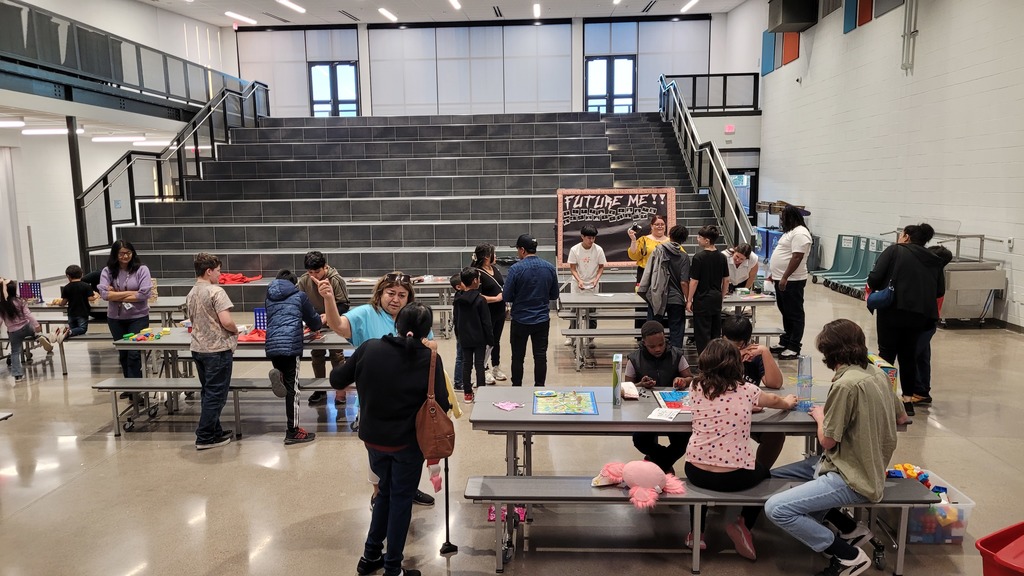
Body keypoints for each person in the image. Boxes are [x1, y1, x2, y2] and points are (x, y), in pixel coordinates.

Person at [765, 319, 911, 576]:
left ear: (830, 354)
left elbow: (827, 441)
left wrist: (821, 416)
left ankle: (849, 556)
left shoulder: (845, 385)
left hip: (852, 477)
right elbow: (901, 418)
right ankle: (850, 530)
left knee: (776, 507)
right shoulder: (877, 373)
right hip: (866, 465)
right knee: (778, 476)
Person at [332, 302, 449, 576]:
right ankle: (393, 567)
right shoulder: (430, 359)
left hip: (373, 437)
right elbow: (440, 404)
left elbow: (338, 378)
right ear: (427, 331)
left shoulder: (369, 348)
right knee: (400, 499)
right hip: (408, 443)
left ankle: (370, 556)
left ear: (397, 324)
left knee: (384, 491)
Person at [319, 271, 436, 507]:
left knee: (413, 450)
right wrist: (329, 299)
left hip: (409, 402)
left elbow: (431, 345)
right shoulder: (366, 313)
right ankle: (378, 493)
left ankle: (409, 488)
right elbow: (338, 325)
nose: (396, 299)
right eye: (391, 293)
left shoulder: (413, 316)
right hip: (374, 401)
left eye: (402, 295)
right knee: (376, 452)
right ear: (380, 293)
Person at [685, 338, 797, 558]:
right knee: (764, 473)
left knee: (700, 475)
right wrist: (788, 402)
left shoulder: (696, 386)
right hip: (733, 477)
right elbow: (773, 399)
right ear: (737, 365)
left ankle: (695, 533)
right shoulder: (747, 390)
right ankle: (743, 524)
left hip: (695, 471)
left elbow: (718, 401)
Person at [866, 223, 946, 417]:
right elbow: (939, 291)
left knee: (887, 354)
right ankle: (907, 402)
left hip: (892, 310)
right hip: (919, 315)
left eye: (901, 234)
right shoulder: (934, 260)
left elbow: (875, 279)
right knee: (908, 356)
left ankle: (884, 398)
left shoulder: (895, 251)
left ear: (907, 236)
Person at [185, 253, 239, 450]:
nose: (220, 274)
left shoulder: (191, 292)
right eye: (218, 270)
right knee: (217, 394)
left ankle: (215, 430)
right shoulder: (216, 291)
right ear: (209, 271)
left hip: (198, 348)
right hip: (217, 348)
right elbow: (226, 321)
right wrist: (235, 329)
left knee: (208, 392)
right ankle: (205, 436)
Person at [626, 320, 693, 474]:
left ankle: (657, 462)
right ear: (643, 343)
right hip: (645, 412)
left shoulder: (677, 355)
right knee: (640, 440)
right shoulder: (634, 359)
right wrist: (640, 384)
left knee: (684, 440)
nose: (658, 349)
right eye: (652, 346)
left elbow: (691, 378)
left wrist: (682, 380)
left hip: (674, 410)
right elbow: (626, 388)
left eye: (661, 344)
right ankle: (664, 463)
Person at [265, 269, 324, 445]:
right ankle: (293, 431)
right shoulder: (299, 295)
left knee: (286, 377)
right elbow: (314, 321)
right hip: (290, 345)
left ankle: (280, 375)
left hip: (272, 343)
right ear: (294, 283)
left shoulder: (269, 296)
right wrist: (318, 324)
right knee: (294, 389)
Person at [721, 315, 786, 469]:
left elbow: (775, 383)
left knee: (775, 435)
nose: (732, 350)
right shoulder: (715, 354)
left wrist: (764, 352)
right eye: (727, 343)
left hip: (751, 418)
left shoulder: (753, 357)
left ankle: (759, 471)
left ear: (745, 343)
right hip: (722, 417)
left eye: (736, 346)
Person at [503, 234, 559, 388]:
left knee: (518, 357)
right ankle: (539, 387)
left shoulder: (516, 269)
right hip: (541, 319)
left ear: (522, 250)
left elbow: (506, 295)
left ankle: (517, 387)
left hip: (520, 319)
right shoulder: (549, 267)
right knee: (540, 356)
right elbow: (554, 295)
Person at [296, 250, 350, 405]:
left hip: (334, 321)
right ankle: (320, 389)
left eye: (317, 271)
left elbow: (344, 304)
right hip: (315, 322)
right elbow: (300, 301)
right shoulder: (304, 281)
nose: (314, 275)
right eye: (310, 272)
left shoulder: (335, 279)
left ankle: (341, 390)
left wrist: (328, 315)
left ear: (325, 267)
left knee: (337, 354)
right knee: (317, 354)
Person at [98, 240, 153, 382]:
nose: (125, 256)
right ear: (115, 255)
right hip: (115, 319)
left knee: (134, 353)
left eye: (128, 253)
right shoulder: (107, 271)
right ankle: (128, 385)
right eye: (121, 253)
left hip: (138, 317)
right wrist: (130, 293)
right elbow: (105, 295)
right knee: (123, 353)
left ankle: (137, 389)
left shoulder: (142, 270)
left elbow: (144, 294)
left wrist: (116, 294)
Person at [767, 205, 812, 360]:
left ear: (791, 217)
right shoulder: (790, 232)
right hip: (782, 279)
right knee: (785, 312)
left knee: (795, 314)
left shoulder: (801, 233)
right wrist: (775, 274)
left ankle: (793, 346)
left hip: (793, 281)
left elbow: (797, 257)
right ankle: (785, 341)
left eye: (783, 217)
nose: (780, 220)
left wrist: (785, 277)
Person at [638, 224, 690, 349]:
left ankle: (649, 357)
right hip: (676, 298)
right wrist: (688, 298)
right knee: (676, 331)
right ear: (684, 239)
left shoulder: (658, 250)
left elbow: (648, 272)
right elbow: (684, 282)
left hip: (657, 296)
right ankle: (676, 359)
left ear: (670, 235)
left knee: (652, 330)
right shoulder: (684, 257)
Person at [914, 245, 953, 408]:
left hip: (924, 322)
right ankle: (923, 390)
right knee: (922, 356)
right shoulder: (936, 275)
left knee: (911, 355)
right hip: (928, 322)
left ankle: (918, 390)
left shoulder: (933, 278)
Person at [687, 225, 729, 356]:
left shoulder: (698, 257)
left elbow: (694, 281)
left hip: (702, 299)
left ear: (707, 240)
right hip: (716, 298)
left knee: (702, 333)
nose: (697, 239)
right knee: (715, 332)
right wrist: (721, 296)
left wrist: (689, 300)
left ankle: (705, 362)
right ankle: (716, 359)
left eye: (699, 237)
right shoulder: (722, 257)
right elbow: (726, 280)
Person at [453, 267, 493, 403]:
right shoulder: (481, 300)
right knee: (479, 365)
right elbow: (486, 322)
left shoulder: (457, 300)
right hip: (479, 338)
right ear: (475, 281)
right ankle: (481, 392)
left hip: (464, 338)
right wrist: (490, 339)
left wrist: (458, 336)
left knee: (466, 365)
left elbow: (455, 319)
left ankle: (467, 394)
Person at [0, 278, 52, 382]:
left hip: (13, 332)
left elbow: (0, 320)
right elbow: (29, 315)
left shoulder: (1, 305)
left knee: (14, 352)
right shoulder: (20, 301)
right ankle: (38, 336)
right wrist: (37, 325)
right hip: (26, 328)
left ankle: (17, 375)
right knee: (33, 328)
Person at [566, 225, 607, 348]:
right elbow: (572, 268)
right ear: (582, 237)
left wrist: (595, 280)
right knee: (574, 312)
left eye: (593, 238)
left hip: (592, 284)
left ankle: (590, 338)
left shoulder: (598, 250)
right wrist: (579, 280)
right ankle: (572, 336)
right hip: (578, 284)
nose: (591, 241)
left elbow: (601, 267)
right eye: (589, 238)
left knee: (592, 312)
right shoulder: (575, 250)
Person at [628, 214, 671, 331]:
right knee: (643, 305)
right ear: (651, 226)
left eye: (662, 224)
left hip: (663, 277)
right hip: (645, 276)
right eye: (657, 224)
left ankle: (662, 334)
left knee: (662, 305)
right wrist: (633, 240)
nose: (660, 226)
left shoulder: (670, 242)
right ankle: (643, 334)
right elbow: (634, 255)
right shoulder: (644, 240)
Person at [471, 244, 507, 383]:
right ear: (486, 257)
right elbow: (476, 295)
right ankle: (483, 369)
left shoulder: (495, 269)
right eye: (494, 253)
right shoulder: (477, 273)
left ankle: (495, 366)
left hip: (500, 311)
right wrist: (495, 299)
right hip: (486, 313)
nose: (496, 256)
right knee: (486, 341)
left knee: (495, 340)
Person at [58, 264, 99, 339]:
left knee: (73, 328)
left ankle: (65, 331)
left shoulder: (66, 287)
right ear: (82, 274)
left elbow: (64, 302)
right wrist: (96, 296)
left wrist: (60, 304)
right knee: (82, 329)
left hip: (71, 313)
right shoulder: (86, 286)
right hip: (82, 312)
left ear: (68, 276)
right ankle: (67, 331)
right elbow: (90, 298)